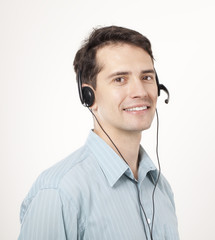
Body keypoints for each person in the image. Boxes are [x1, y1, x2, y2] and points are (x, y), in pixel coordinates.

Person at [18, 26, 179, 240]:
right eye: (120, 79)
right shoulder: (59, 191)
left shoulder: (160, 188)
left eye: (147, 77)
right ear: (88, 96)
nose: (140, 91)